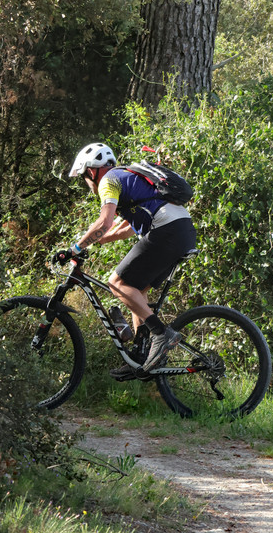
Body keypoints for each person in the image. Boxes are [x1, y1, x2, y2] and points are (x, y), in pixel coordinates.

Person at [52, 142, 197, 376]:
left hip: (167, 230)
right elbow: (127, 228)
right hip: (183, 231)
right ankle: (140, 357)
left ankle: (161, 334)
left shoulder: (109, 181)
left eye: (84, 177)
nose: (87, 183)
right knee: (135, 291)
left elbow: (105, 222)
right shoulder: (128, 178)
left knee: (117, 283)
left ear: (92, 171)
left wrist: (75, 248)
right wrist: (99, 240)